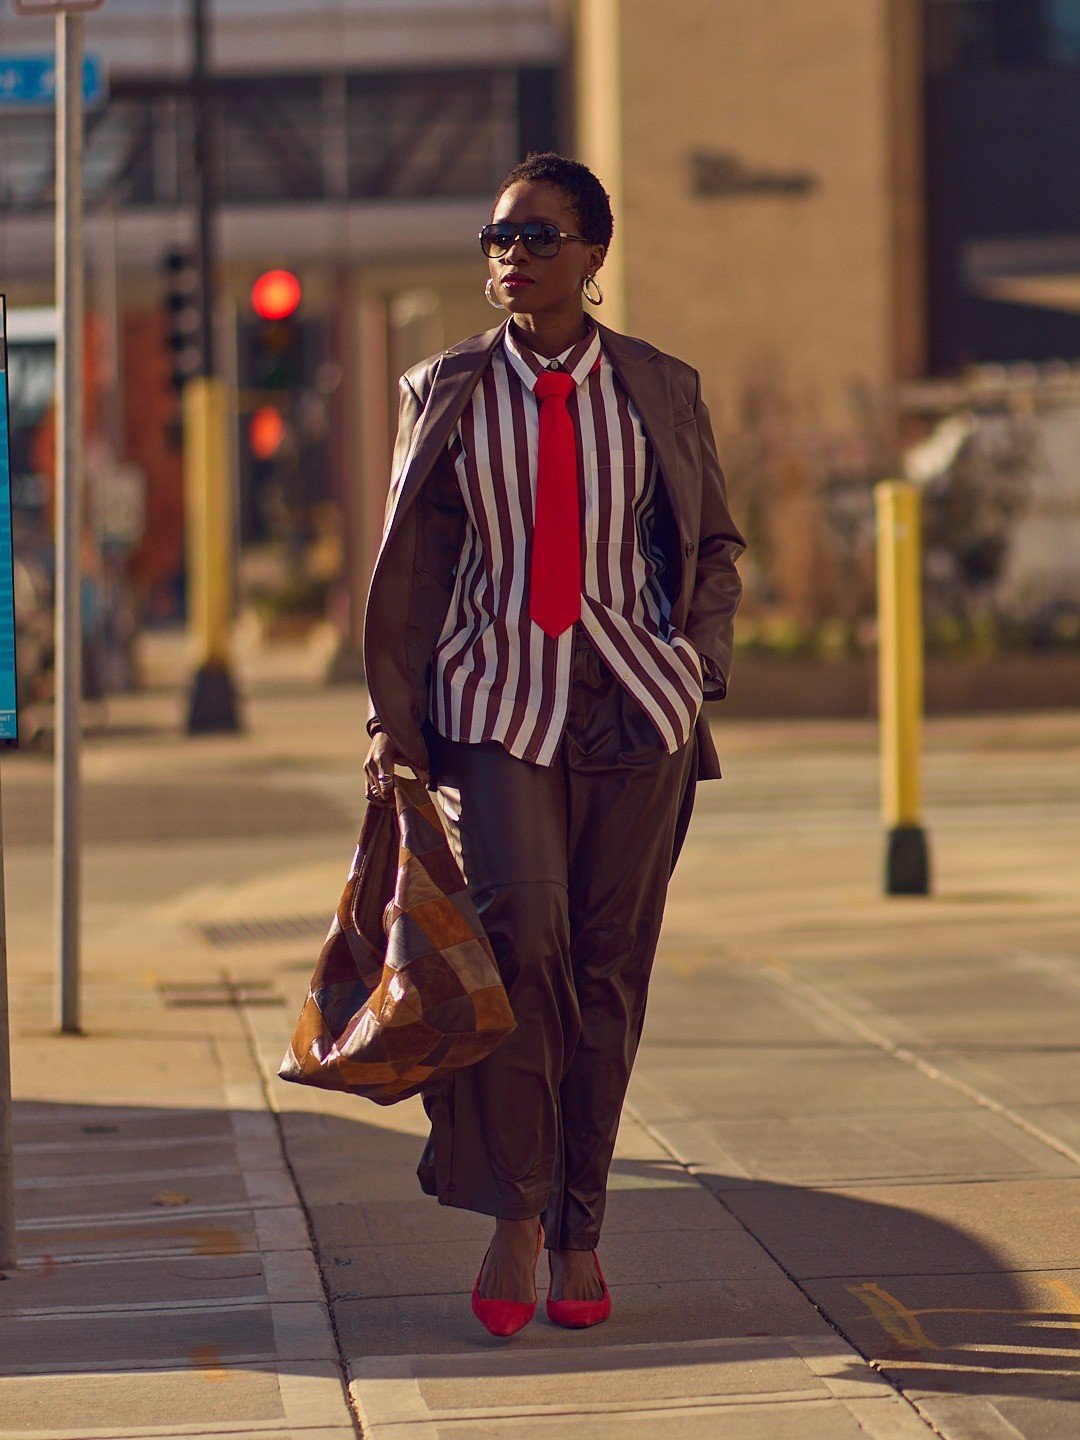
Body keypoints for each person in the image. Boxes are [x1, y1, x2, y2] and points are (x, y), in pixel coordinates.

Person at [363, 153, 744, 1337]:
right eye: (496, 239)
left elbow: (713, 548)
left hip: (636, 705)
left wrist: (699, 669)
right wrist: (393, 722)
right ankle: (514, 1213)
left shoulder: (661, 388)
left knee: (607, 968)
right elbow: (409, 573)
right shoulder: (446, 390)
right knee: (519, 941)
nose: (509, 258)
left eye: (534, 238)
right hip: (496, 703)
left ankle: (582, 1225)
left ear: (593, 254)